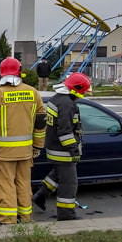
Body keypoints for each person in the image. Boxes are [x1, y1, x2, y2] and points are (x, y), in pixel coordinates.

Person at [0, 57, 46, 225]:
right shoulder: (32, 92)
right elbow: (41, 122)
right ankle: (25, 217)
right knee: (23, 184)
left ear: (1, 73)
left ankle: (7, 219)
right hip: (26, 151)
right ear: (19, 72)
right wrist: (38, 146)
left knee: (5, 184)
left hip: (4, 153)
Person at [32, 72, 92, 221]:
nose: (83, 95)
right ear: (76, 89)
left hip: (54, 147)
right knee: (69, 183)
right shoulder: (67, 105)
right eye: (83, 92)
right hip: (63, 151)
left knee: (58, 174)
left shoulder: (56, 99)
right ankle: (66, 214)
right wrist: (73, 150)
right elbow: (65, 132)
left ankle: (41, 195)